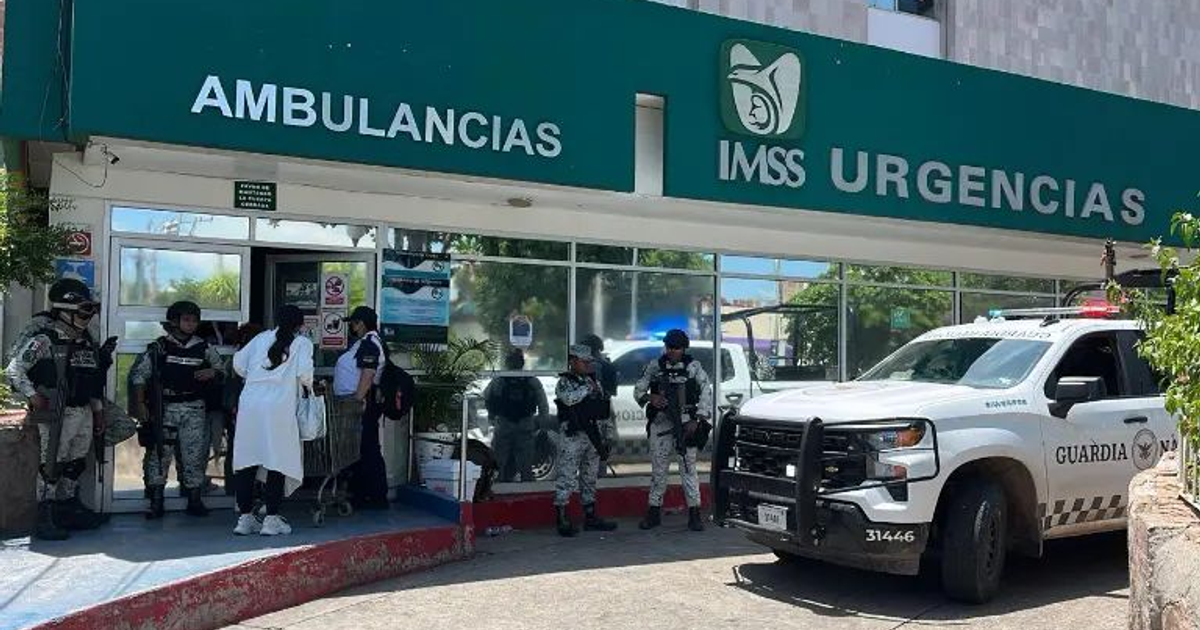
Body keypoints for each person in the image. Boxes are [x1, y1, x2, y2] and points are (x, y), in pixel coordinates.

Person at [6, 278, 115, 539]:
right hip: (57, 413)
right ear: (64, 310)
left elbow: (91, 381)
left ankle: (68, 509)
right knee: (51, 465)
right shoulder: (45, 339)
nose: (88, 317)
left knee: (76, 463)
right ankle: (46, 516)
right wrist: (33, 396)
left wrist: (98, 411)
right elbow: (14, 370)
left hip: (83, 411)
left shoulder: (87, 341)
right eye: (83, 310)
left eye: (90, 310)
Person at [129, 301, 226, 519]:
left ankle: (194, 499)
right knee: (159, 455)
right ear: (174, 321)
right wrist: (141, 406)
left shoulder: (203, 347)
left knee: (195, 455)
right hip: (166, 408)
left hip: (194, 409)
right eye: (186, 320)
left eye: (194, 320)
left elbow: (222, 370)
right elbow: (139, 376)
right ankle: (156, 501)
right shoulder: (159, 348)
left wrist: (212, 373)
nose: (191, 324)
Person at [231, 305, 313, 536]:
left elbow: (238, 364)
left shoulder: (260, 338)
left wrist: (258, 379)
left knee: (246, 460)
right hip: (279, 407)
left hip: (250, 404)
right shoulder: (302, 343)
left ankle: (245, 519)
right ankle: (271, 519)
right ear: (300, 324)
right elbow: (305, 375)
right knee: (277, 461)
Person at [634, 328, 713, 532]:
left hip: (686, 424)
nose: (672, 351)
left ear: (684, 348)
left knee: (688, 469)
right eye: (669, 347)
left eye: (676, 348)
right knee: (658, 470)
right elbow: (638, 390)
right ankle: (653, 512)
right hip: (661, 423)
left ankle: (695, 514)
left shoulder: (693, 367)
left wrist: (697, 419)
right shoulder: (655, 366)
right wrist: (652, 398)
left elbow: (706, 392)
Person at [552, 345, 617, 537]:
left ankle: (590, 516)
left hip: (593, 435)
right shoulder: (565, 382)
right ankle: (562, 518)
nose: (589, 365)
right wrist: (587, 388)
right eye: (584, 361)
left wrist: (607, 436)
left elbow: (604, 409)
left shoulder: (593, 381)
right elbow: (569, 399)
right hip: (573, 436)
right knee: (567, 477)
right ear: (573, 361)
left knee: (589, 477)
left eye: (590, 362)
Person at [334, 305, 389, 510]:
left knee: (367, 449)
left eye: (354, 324)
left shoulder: (370, 343)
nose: (352, 328)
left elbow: (368, 372)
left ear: (362, 324)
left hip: (363, 403)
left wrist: (358, 399)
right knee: (359, 449)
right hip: (358, 402)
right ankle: (361, 493)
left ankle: (375, 496)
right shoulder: (366, 342)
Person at [483, 348, 548, 482]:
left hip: (504, 423)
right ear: (522, 363)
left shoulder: (500, 379)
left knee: (498, 460)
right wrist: (542, 425)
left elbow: (487, 397)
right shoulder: (531, 380)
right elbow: (543, 404)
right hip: (525, 423)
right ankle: (527, 489)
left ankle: (496, 486)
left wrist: (491, 417)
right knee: (526, 462)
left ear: (507, 363)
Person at [580, 334, 616, 477]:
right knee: (601, 455)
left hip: (592, 414)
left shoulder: (591, 366)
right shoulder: (608, 365)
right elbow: (611, 392)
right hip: (604, 412)